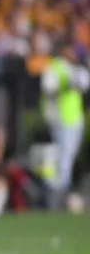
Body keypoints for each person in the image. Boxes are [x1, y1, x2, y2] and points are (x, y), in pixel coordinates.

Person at [41, 40, 88, 209]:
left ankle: (64, 190)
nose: (74, 53)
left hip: (75, 117)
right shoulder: (54, 67)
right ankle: (61, 193)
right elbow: (48, 88)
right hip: (60, 117)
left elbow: (84, 85)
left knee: (71, 154)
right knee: (64, 156)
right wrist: (67, 85)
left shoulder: (77, 68)